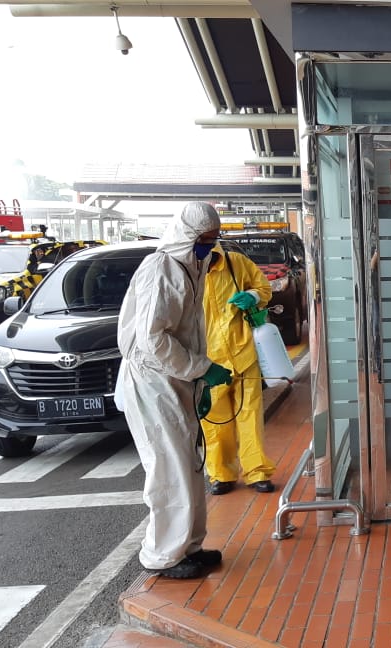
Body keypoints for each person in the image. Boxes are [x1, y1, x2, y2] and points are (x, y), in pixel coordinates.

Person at [115, 202, 233, 579]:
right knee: (169, 468)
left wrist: (197, 380)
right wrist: (202, 369)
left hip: (174, 381)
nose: (209, 246)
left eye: (214, 239)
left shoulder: (192, 266)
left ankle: (188, 546)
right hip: (152, 381)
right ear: (187, 236)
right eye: (204, 239)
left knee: (190, 463)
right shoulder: (162, 268)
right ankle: (162, 556)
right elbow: (152, 340)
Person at [201, 243, 277, 495]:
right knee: (215, 423)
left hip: (243, 352)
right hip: (209, 362)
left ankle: (256, 471)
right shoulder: (188, 272)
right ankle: (221, 474)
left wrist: (253, 297)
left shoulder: (236, 263)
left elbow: (264, 288)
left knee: (250, 416)